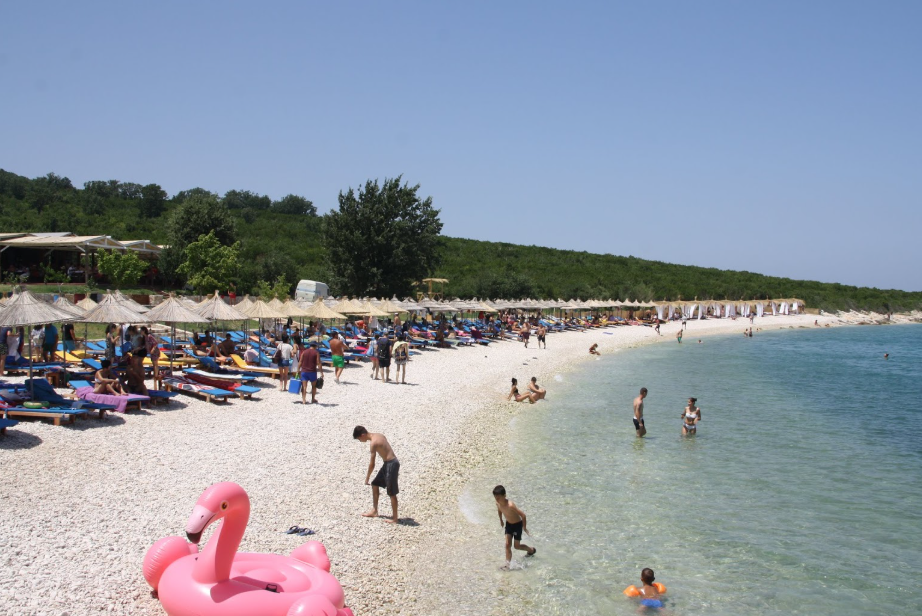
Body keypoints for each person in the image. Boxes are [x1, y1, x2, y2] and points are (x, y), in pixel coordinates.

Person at [354, 426, 400, 523]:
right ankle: (375, 511)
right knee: (375, 484)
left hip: (391, 464)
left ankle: (395, 518)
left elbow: (372, 464)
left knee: (392, 492)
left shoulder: (373, 443)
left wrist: (367, 478)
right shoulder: (378, 435)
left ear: (362, 435)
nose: (360, 441)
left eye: (359, 439)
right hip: (388, 463)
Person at [492, 485, 536, 569]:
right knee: (507, 544)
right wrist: (501, 520)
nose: (497, 499)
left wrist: (524, 527)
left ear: (504, 495)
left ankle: (531, 550)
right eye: (495, 497)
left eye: (498, 497)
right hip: (509, 525)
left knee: (517, 546)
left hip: (517, 525)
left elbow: (523, 515)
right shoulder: (497, 503)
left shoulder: (510, 505)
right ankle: (507, 565)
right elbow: (499, 510)